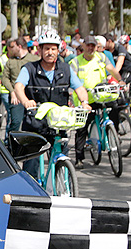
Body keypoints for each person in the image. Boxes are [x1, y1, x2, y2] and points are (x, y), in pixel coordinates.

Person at [13, 31, 90, 179]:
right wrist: (25, 101)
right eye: (46, 48)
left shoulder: (66, 69)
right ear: (40, 50)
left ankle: (63, 188)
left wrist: (84, 102)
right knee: (31, 167)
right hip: (35, 124)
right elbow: (19, 86)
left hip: (58, 124)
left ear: (58, 50)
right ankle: (33, 196)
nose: (50, 52)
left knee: (62, 161)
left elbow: (79, 88)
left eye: (53, 49)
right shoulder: (29, 68)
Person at [69, 35, 125, 168]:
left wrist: (120, 80)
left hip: (101, 95)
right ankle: (79, 158)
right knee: (82, 128)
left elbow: (112, 69)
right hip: (85, 99)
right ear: (83, 46)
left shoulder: (101, 57)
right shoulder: (76, 62)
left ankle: (114, 133)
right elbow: (72, 80)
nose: (90, 48)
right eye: (88, 45)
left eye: (93, 46)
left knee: (115, 107)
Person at [2, 36, 40, 134]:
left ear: (19, 46)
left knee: (34, 123)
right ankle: (11, 145)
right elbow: (5, 78)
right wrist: (12, 92)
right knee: (16, 122)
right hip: (16, 97)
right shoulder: (11, 61)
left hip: (32, 96)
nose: (10, 50)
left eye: (12, 47)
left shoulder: (34, 59)